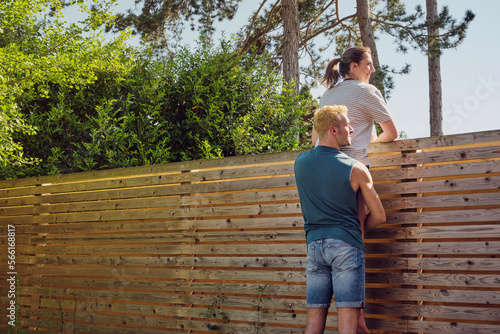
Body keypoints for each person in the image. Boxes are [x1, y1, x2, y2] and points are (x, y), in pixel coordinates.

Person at [294, 105, 386, 334]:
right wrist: (357, 227)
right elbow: (380, 216)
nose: (352, 129)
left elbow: (317, 143)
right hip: (346, 248)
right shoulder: (356, 169)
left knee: (313, 325)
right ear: (334, 130)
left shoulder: (300, 163)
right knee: (348, 326)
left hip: (315, 248)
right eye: (347, 125)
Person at [312, 46, 397, 240]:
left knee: (331, 226)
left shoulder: (327, 95)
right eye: (369, 64)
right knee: (355, 229)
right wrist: (372, 144)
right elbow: (391, 133)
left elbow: (315, 140)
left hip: (323, 170)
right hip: (353, 169)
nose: (372, 69)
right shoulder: (367, 91)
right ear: (354, 65)